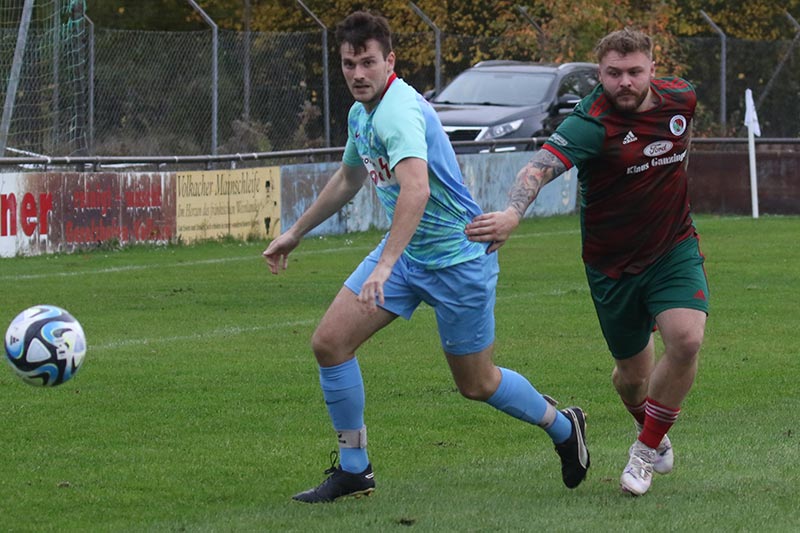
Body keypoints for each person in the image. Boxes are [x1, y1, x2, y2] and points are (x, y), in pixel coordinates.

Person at [263, 10, 590, 503]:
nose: (357, 73)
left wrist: (385, 265)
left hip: (459, 260)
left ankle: (564, 427)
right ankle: (354, 470)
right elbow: (349, 178)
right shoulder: (361, 114)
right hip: (407, 254)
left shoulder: (397, 111)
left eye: (368, 62)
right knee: (330, 344)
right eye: (349, 63)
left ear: (389, 61)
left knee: (477, 384)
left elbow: (416, 190)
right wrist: (295, 233)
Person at [465, 27, 709, 497]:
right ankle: (649, 425)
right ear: (600, 72)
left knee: (687, 339)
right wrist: (513, 213)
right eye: (613, 73)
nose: (624, 82)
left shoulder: (682, 98)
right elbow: (538, 167)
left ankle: (645, 448)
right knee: (632, 380)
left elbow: (681, 144)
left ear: (653, 68)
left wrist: (675, 184)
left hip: (672, 247)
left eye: (634, 72)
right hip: (611, 266)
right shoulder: (591, 122)